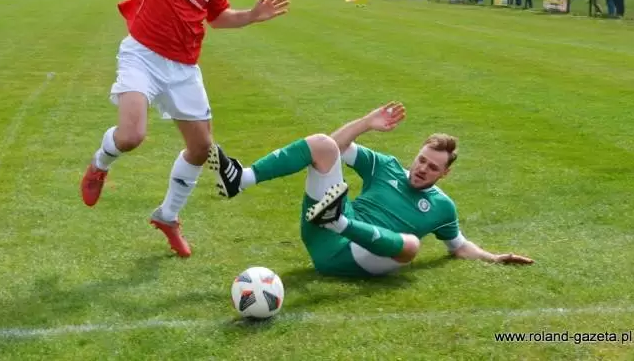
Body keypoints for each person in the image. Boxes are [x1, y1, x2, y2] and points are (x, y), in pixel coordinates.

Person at [79, 0, 290, 258]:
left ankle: (168, 216)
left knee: (201, 148)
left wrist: (251, 16)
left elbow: (217, 16)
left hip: (184, 67)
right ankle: (99, 164)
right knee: (132, 135)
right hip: (142, 54)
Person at [209, 102, 534, 277]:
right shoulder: (386, 166)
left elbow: (459, 247)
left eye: (433, 167)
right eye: (421, 160)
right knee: (322, 144)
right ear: (417, 154)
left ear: (445, 173)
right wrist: (366, 123)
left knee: (411, 246)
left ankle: (337, 220)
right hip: (321, 235)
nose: (423, 168)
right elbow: (336, 145)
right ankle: (241, 179)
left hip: (362, 255)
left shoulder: (442, 207)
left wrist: (495, 258)